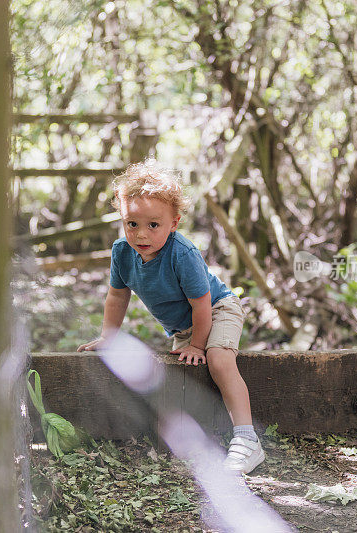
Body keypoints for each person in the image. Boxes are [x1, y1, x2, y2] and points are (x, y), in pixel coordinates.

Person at [78, 161, 265, 474]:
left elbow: (203, 303)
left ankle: (248, 440)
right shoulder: (122, 252)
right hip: (186, 325)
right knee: (181, 373)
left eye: (153, 225)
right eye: (131, 223)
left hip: (218, 309)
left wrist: (198, 345)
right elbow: (117, 296)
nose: (141, 234)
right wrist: (109, 336)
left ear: (173, 223)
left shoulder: (182, 253)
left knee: (218, 359)